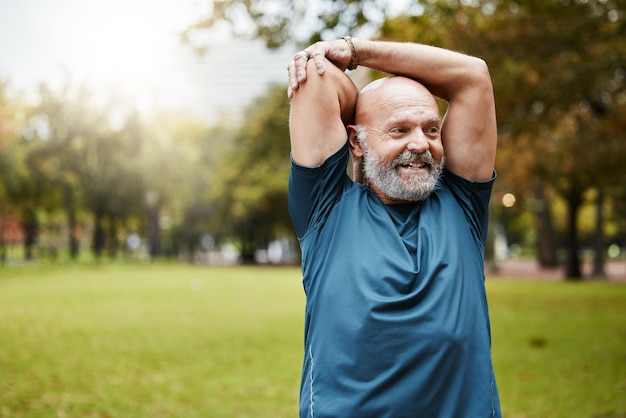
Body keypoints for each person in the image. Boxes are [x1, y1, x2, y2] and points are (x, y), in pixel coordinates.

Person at [287, 37, 501, 418]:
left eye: (432, 130)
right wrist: (364, 115)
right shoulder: (326, 209)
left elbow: (473, 76)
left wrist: (355, 51)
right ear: (355, 141)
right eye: (399, 130)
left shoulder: (463, 202)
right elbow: (317, 80)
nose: (421, 144)